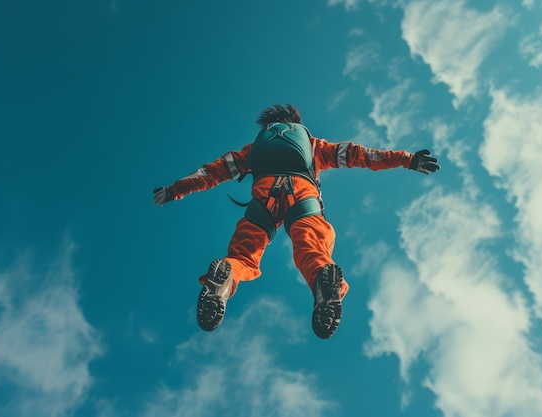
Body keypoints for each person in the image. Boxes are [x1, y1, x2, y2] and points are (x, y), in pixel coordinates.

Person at [153, 104, 440, 339]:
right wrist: (407, 159)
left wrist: (173, 190)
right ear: (297, 124)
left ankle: (226, 274)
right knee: (311, 249)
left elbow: (210, 172)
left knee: (243, 255)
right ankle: (323, 283)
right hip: (303, 194)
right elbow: (359, 155)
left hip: (263, 196)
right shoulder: (313, 145)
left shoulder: (252, 149)